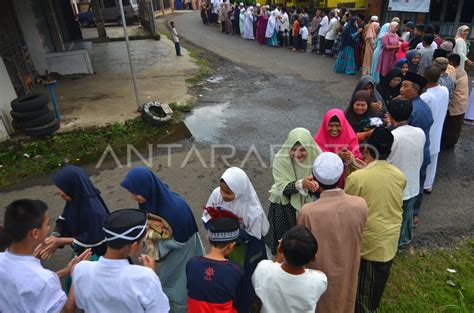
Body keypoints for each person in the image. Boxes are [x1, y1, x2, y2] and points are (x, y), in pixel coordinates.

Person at [121, 167, 204, 313]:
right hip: (172, 252)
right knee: (172, 280)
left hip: (183, 252)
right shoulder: (153, 198)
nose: (133, 197)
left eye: (136, 193)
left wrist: (155, 250)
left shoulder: (176, 210)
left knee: (180, 284)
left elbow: (180, 240)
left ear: (146, 188)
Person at [344, 128, 406, 313]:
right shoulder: (399, 175)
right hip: (390, 240)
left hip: (369, 244)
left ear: (366, 150)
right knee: (378, 284)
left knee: (362, 293)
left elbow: (348, 209)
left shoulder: (357, 178)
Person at [299, 152, 368, 313]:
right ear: (340, 176)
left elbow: (302, 247)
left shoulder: (308, 212)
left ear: (314, 178)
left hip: (318, 273)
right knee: (345, 298)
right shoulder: (360, 204)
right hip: (348, 266)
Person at [0, 199, 90, 313]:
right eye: (47, 224)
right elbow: (66, 310)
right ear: (35, 233)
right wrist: (76, 277)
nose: (48, 228)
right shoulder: (43, 279)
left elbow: (30, 286)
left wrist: (66, 270)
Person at [73, 209, 170, 312]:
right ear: (133, 246)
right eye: (142, 242)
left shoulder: (81, 269)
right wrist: (150, 273)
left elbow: (82, 305)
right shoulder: (145, 277)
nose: (142, 245)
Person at [204, 167, 269, 313]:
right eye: (221, 190)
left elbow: (253, 234)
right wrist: (215, 230)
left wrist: (226, 234)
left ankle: (245, 302)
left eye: (228, 192)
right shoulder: (216, 194)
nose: (223, 195)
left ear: (240, 191)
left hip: (244, 247)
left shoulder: (253, 210)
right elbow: (207, 215)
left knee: (246, 275)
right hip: (225, 244)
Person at [36, 165, 109, 267]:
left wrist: (60, 241)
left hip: (99, 257)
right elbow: (64, 219)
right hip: (83, 252)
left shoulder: (95, 211)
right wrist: (54, 237)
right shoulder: (75, 199)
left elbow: (94, 240)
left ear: (73, 187)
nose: (59, 192)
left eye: (63, 188)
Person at [266, 128, 321, 256]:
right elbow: (282, 188)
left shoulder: (318, 158)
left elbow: (324, 185)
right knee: (284, 245)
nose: (297, 154)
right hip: (284, 209)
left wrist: (313, 186)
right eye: (293, 149)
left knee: (307, 245)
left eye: (302, 149)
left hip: (310, 208)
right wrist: (302, 184)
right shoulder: (280, 159)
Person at [252, 225, 328, 313]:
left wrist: (278, 255)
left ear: (280, 248)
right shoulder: (319, 280)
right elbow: (319, 275)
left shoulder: (263, 269)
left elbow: (266, 274)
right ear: (314, 258)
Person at [386, 100, 425, 246]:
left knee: (393, 219)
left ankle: (394, 245)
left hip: (394, 187)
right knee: (406, 216)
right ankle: (404, 240)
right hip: (413, 183)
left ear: (389, 116)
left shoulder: (392, 137)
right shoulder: (420, 133)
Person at [187, 215, 243, 313]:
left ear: (209, 239)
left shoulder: (192, 264)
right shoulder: (235, 271)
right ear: (231, 246)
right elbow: (240, 302)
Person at [400, 72, 434, 225]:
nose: (401, 89)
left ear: (416, 89)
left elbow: (406, 134)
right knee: (419, 184)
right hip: (423, 152)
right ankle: (414, 214)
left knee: (411, 185)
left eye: (405, 86)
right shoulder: (423, 106)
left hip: (413, 155)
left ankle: (408, 216)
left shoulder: (412, 110)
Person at [421, 66, 449, 193]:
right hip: (438, 128)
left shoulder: (426, 97)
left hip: (426, 131)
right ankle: (428, 185)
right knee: (433, 159)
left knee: (422, 160)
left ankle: (421, 184)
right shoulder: (444, 90)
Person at [441, 54, 469, 145]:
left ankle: (447, 144)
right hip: (462, 103)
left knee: (451, 126)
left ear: (451, 62)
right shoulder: (461, 70)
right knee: (456, 126)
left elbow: (448, 87)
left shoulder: (453, 72)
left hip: (455, 104)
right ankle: (451, 143)